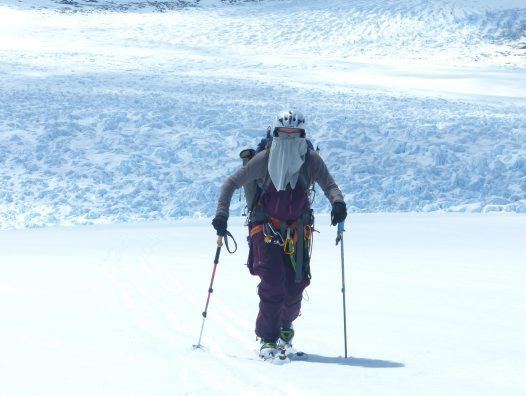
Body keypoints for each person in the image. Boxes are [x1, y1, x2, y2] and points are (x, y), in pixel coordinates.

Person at [212, 109, 347, 359]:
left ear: (301, 135)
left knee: (296, 286)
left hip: (298, 231)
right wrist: (222, 214)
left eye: (293, 134)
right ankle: (268, 338)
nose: (288, 138)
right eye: (283, 133)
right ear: (275, 134)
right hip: (266, 229)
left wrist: (338, 203)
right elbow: (231, 183)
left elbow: (329, 184)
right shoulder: (264, 159)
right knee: (273, 284)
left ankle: (285, 326)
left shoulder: (310, 160)